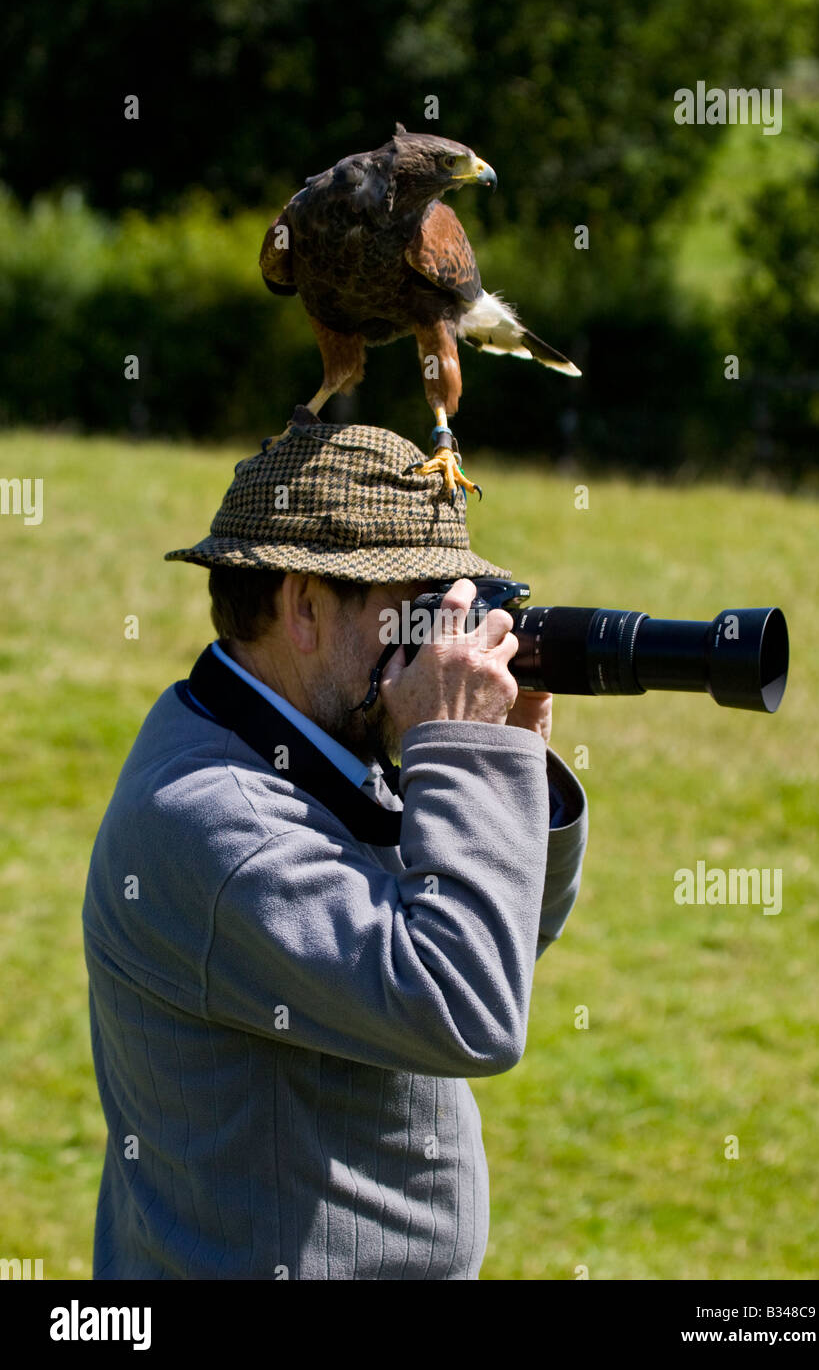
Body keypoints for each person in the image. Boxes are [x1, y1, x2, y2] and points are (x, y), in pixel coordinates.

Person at [82, 409, 588, 1280]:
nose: (444, 640)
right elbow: (465, 1007)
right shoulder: (214, 819)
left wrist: (512, 764)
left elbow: (502, 938)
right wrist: (464, 756)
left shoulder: (306, 738)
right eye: (417, 609)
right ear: (306, 605)